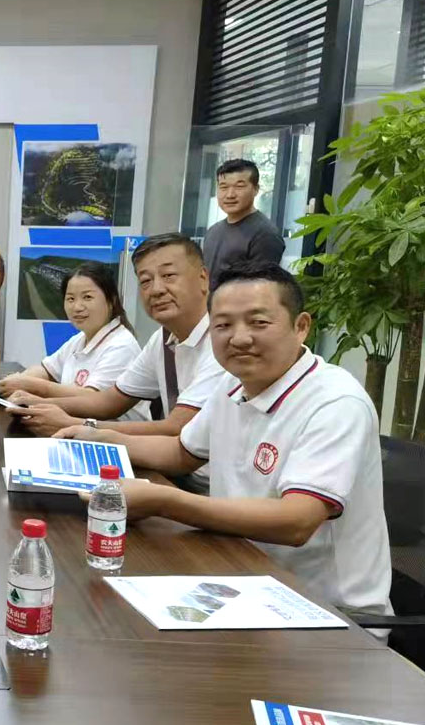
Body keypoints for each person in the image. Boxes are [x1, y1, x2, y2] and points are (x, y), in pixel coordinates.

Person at [55, 262, 391, 618]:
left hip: (325, 611)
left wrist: (164, 501)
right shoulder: (233, 383)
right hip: (239, 575)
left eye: (258, 322)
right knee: (96, 602)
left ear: (301, 327)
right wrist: (99, 437)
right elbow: (181, 452)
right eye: (223, 325)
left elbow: (296, 521)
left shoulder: (336, 402)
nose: (239, 338)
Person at [5, 234, 229, 447]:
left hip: (200, 473)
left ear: (203, 278)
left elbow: (178, 428)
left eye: (168, 275)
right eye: (146, 281)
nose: (157, 289)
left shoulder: (223, 342)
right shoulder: (162, 338)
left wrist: (78, 424)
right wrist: (37, 404)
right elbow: (109, 401)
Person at [0, 263, 148, 421]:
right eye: (70, 299)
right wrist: (18, 382)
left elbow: (93, 400)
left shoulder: (121, 346)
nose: (77, 307)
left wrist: (31, 385)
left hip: (112, 432)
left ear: (111, 300)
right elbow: (46, 370)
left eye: (87, 297)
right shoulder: (79, 339)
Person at [203, 158, 286, 288]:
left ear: (256, 189)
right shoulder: (213, 231)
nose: (230, 195)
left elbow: (261, 287)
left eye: (239, 186)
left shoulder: (265, 234)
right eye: (223, 187)